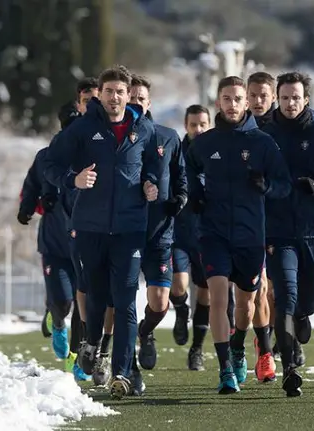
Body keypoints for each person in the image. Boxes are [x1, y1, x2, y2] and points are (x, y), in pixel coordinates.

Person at [43, 65, 164, 399]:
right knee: (96, 296)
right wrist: (74, 179)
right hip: (90, 228)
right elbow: (50, 164)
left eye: (120, 92)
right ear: (101, 94)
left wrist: (152, 184)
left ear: (128, 95)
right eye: (108, 91)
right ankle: (91, 342)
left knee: (125, 301)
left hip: (130, 229)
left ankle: (123, 373)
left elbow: (154, 166)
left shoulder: (145, 129)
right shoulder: (82, 129)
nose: (114, 97)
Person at [185, 76, 291, 393]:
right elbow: (185, 171)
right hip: (213, 233)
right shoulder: (204, 143)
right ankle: (225, 370)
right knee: (219, 297)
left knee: (246, 306)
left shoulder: (263, 143)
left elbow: (284, 185)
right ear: (218, 102)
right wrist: (194, 194)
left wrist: (267, 187)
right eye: (226, 99)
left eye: (238, 99)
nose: (232, 104)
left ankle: (237, 346)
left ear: (247, 103)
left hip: (250, 236)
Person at [261, 71, 314, 397]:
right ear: (277, 98)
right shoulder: (263, 134)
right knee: (286, 297)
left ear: (306, 99)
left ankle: (303, 318)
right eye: (285, 97)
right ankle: (290, 368)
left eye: (296, 97)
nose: (290, 103)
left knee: (306, 303)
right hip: (277, 232)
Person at [19, 99, 89, 382]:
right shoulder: (45, 157)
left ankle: (78, 360)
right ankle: (57, 320)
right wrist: (28, 207)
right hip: (55, 245)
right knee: (63, 302)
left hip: (86, 244)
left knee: (85, 306)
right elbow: (30, 189)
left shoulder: (91, 161)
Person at [129, 74, 190, 371]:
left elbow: (181, 178)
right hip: (123, 232)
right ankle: (114, 357)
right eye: (131, 98)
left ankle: (146, 331)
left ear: (149, 102)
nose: (135, 103)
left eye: (140, 98)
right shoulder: (114, 140)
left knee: (159, 300)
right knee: (119, 301)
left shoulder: (167, 136)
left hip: (159, 232)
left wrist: (180, 198)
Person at [173, 104, 237, 371]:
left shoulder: (217, 151)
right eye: (193, 125)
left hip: (208, 233)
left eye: (202, 124)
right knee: (178, 286)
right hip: (178, 233)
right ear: (185, 127)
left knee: (207, 294)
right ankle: (179, 310)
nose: (198, 130)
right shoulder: (176, 153)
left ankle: (196, 349)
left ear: (209, 124)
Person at [247, 71, 278, 356]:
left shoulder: (280, 130)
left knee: (275, 290)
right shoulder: (238, 128)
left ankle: (279, 333)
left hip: (279, 219)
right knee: (259, 288)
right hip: (248, 220)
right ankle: (263, 345)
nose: (258, 101)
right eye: (253, 95)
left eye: (263, 96)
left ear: (273, 97)